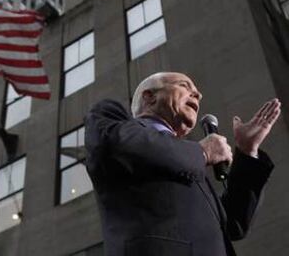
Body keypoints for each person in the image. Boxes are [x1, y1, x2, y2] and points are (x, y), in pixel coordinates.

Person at [84, 72, 281, 256]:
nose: (197, 94)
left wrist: (247, 151)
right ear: (149, 97)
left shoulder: (188, 161)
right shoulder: (113, 119)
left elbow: (234, 224)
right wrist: (203, 152)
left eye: (197, 92)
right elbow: (115, 143)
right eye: (184, 86)